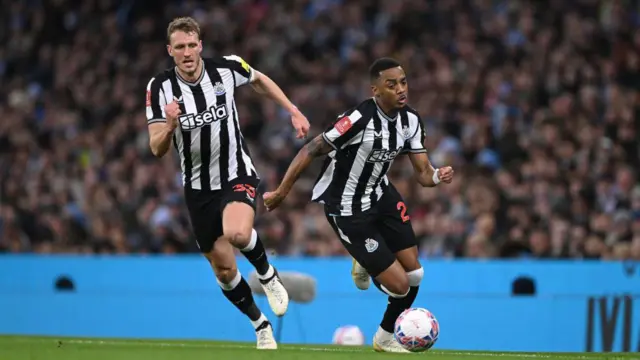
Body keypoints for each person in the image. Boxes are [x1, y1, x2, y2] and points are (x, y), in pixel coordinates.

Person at [263, 58, 454, 352]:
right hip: (347, 208)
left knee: (416, 275)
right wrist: (281, 191)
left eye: (403, 82)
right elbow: (311, 149)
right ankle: (367, 265)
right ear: (375, 90)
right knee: (401, 286)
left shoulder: (411, 120)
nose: (401, 89)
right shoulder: (357, 119)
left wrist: (438, 176)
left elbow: (423, 175)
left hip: (382, 196)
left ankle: (383, 338)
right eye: (392, 85)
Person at [145, 17, 310, 350]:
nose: (187, 52)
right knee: (223, 268)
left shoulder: (227, 68)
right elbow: (156, 148)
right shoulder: (159, 87)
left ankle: (267, 274)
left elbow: (260, 80)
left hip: (236, 171)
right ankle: (259, 324)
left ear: (201, 45)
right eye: (180, 47)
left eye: (192, 45)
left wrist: (292, 109)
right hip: (197, 186)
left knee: (237, 233)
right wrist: (171, 125)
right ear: (170, 51)